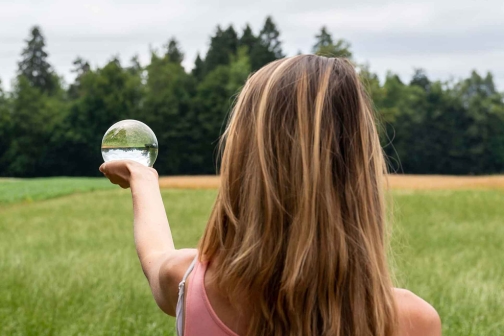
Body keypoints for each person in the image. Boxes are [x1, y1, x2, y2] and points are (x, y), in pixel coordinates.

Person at [100, 55, 442, 336]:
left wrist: (143, 179)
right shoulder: (411, 322)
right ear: (359, 172)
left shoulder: (192, 286)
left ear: (241, 164)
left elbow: (155, 253)